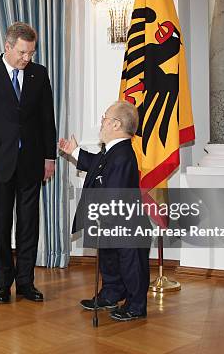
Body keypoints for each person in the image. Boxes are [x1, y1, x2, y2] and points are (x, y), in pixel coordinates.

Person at [0, 22, 57, 304]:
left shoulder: (38, 74)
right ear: (7, 47)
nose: (27, 58)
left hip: (31, 163)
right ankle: (3, 283)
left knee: (29, 225)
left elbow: (46, 119)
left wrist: (49, 157)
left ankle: (26, 283)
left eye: (31, 52)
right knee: (1, 226)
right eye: (22, 52)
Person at [59, 101, 150, 322]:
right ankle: (111, 293)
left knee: (131, 265)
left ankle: (136, 305)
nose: (102, 122)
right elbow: (96, 164)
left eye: (105, 118)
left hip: (126, 224)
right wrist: (74, 151)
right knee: (110, 260)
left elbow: (115, 191)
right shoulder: (111, 150)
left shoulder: (123, 155)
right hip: (112, 222)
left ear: (116, 124)